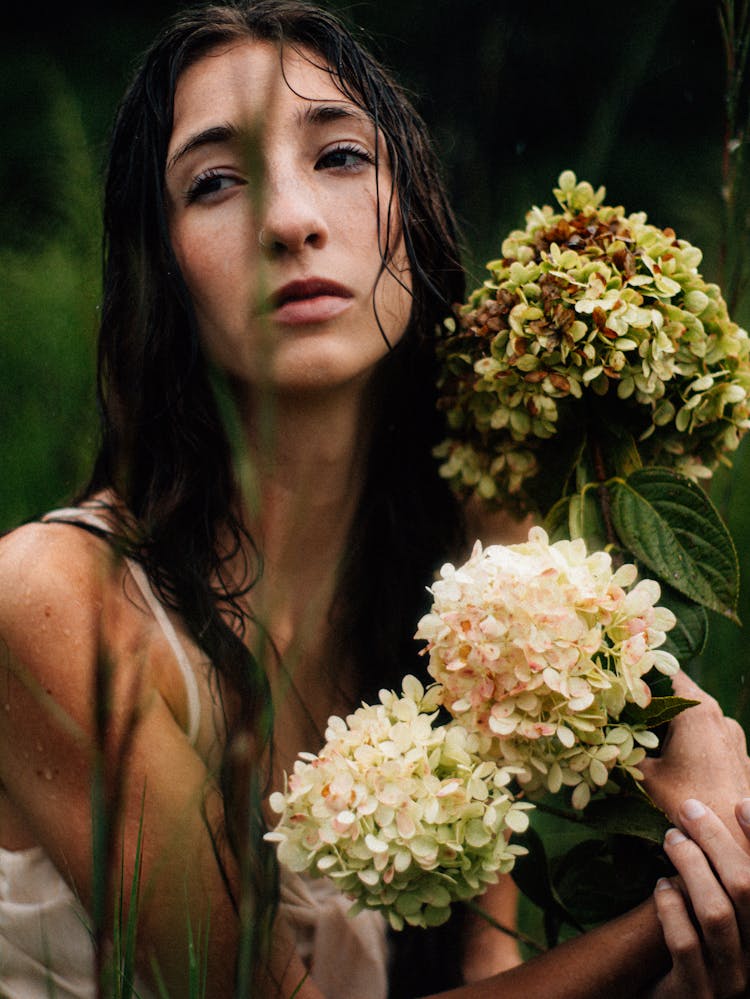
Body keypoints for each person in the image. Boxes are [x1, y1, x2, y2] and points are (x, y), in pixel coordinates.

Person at [0, 2, 748, 997]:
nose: (291, 220)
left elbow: (488, 962)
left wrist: (689, 729)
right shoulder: (56, 602)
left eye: (341, 156)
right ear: (156, 269)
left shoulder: (469, 545)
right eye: (215, 182)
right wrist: (665, 926)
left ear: (415, 205)